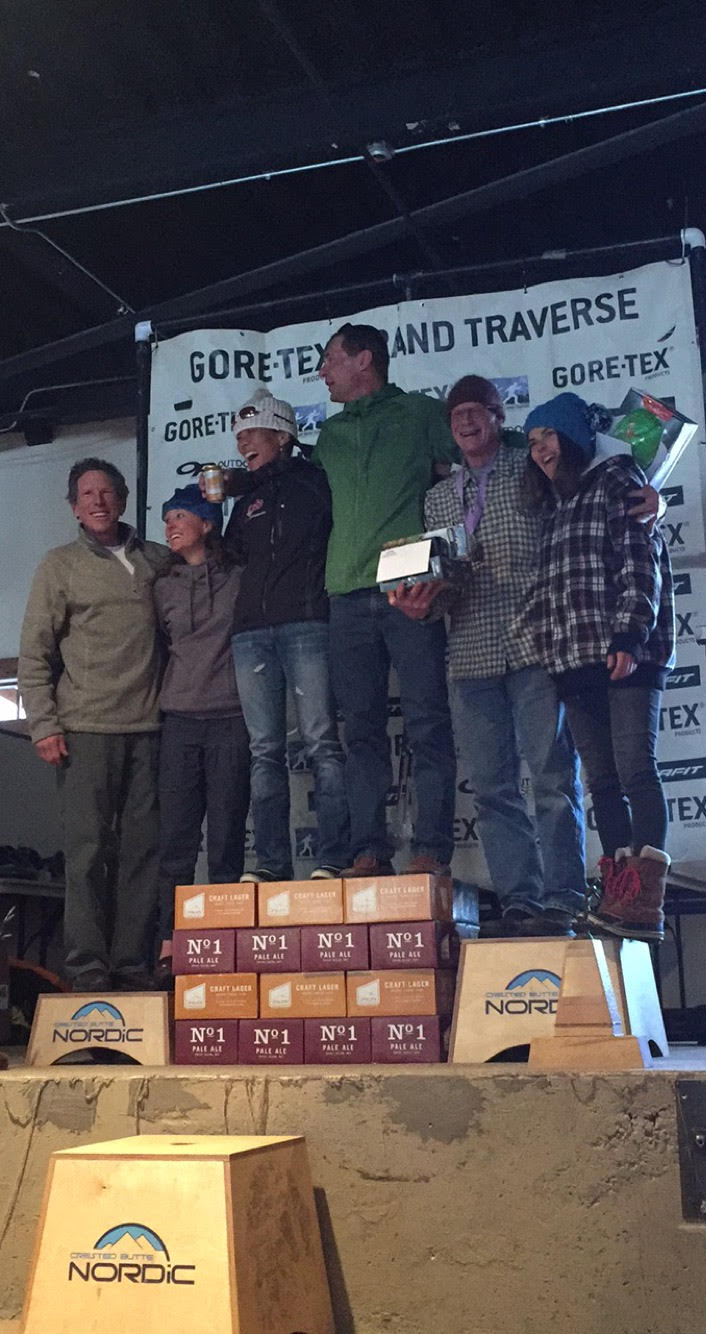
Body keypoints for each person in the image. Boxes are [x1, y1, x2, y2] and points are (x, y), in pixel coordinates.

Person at [390, 375, 586, 935]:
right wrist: (419, 605)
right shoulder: (437, 497)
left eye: (477, 411)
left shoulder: (533, 468)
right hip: (469, 653)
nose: (467, 422)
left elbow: (576, 513)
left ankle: (566, 896)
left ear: (500, 417)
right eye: (457, 416)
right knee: (494, 788)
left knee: (552, 779)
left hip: (535, 644)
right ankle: (520, 898)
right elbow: (438, 576)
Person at [523, 392, 675, 942]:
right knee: (604, 785)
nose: (541, 451)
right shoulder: (554, 505)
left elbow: (640, 562)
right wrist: (547, 649)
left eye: (548, 437)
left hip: (625, 654)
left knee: (637, 770)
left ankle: (645, 903)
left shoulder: (618, 478)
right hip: (573, 662)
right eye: (533, 443)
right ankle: (618, 899)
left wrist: (630, 635)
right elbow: (550, 588)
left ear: (573, 436)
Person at [18, 458, 169, 990]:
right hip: (83, 731)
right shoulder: (58, 566)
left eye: (107, 491)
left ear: (124, 499)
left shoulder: (158, 560)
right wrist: (44, 725)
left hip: (150, 731)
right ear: (74, 507)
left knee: (142, 856)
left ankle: (130, 966)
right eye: (87, 494)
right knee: (86, 857)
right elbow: (34, 654)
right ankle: (86, 971)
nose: (98, 501)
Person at [315, 323, 458, 878]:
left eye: (330, 360)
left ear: (364, 360)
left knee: (426, 722)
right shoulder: (327, 438)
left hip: (409, 588)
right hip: (344, 595)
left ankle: (430, 852)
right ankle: (369, 852)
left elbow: (479, 457)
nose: (323, 372)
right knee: (362, 731)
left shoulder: (422, 415)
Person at [224, 388, 349, 881]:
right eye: (238, 437)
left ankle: (333, 857)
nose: (242, 444)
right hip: (251, 633)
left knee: (321, 741)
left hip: (307, 624)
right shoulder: (246, 497)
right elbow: (233, 554)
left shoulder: (317, 482)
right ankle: (272, 865)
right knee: (264, 751)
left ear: (282, 434)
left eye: (250, 434)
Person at [153, 485, 250, 985]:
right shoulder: (162, 585)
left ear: (208, 524)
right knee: (175, 841)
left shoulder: (239, 577)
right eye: (166, 517)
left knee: (227, 839)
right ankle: (171, 948)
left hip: (231, 716)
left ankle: (222, 942)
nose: (170, 525)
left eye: (181, 517)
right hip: (179, 722)